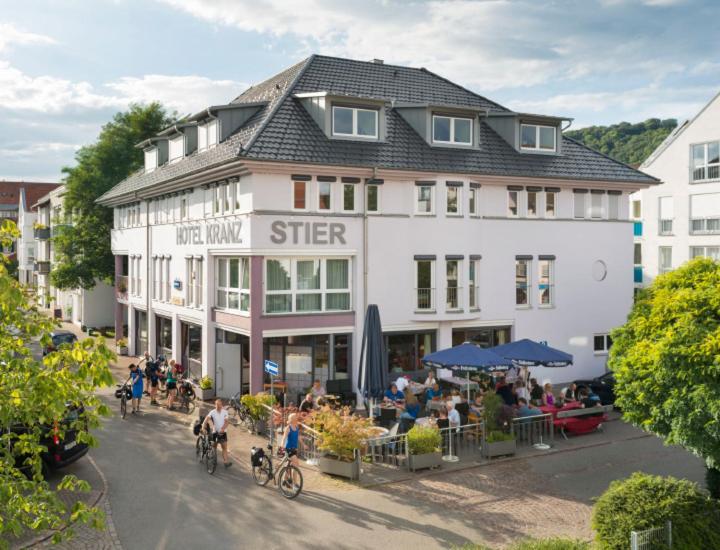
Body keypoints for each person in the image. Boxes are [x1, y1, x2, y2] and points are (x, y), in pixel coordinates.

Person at [203, 399, 232, 468]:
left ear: (222, 405)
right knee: (214, 446)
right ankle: (214, 458)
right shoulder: (212, 412)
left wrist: (222, 429)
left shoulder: (225, 412)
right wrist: (203, 425)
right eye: (217, 405)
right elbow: (207, 418)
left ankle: (225, 462)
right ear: (215, 405)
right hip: (215, 432)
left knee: (224, 447)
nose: (219, 406)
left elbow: (227, 422)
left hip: (223, 433)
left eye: (220, 405)